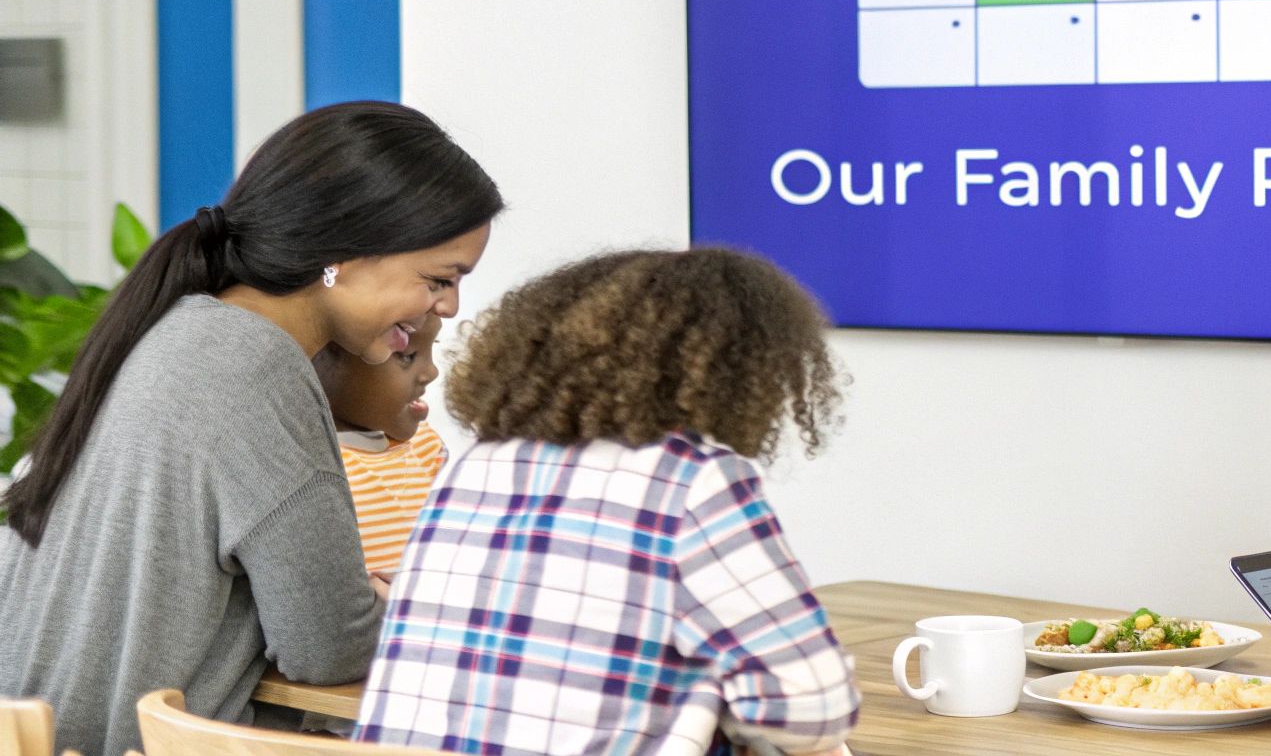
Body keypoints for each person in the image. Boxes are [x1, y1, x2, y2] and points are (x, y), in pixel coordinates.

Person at [0, 102, 504, 756]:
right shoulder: (258, 368)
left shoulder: (176, 325)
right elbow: (327, 647)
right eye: (439, 279)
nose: (450, 306)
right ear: (343, 253)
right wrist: (395, 605)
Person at [353, 248, 861, 756]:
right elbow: (813, 711)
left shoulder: (475, 468)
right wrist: (713, 698)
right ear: (737, 375)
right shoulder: (691, 480)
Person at [314, 314, 448, 577]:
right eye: (408, 356)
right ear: (320, 359)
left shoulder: (427, 447)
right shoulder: (315, 469)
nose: (432, 371)